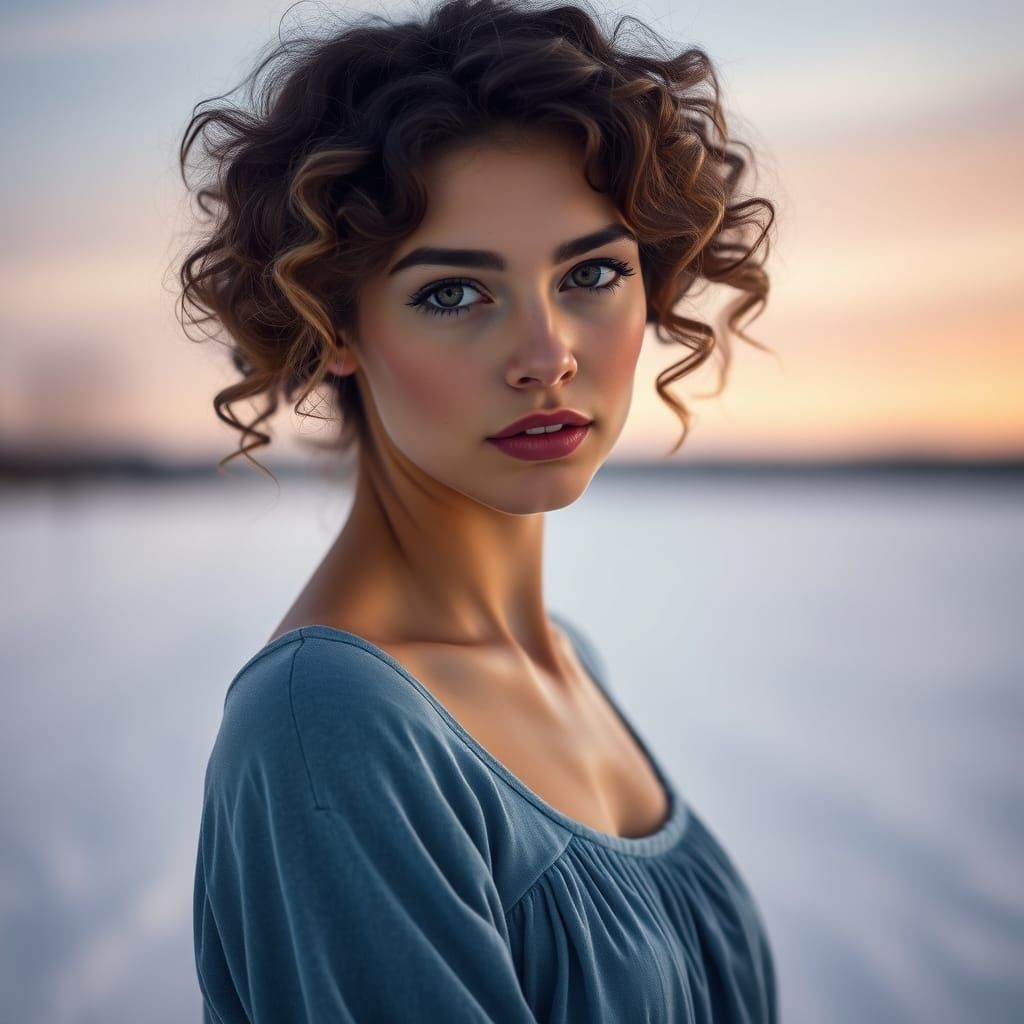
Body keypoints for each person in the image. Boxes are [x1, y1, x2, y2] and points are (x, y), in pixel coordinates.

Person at [178, 0, 778, 1020]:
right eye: (455, 293)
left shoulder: (567, 659)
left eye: (591, 273)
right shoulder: (328, 728)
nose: (547, 356)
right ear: (335, 325)